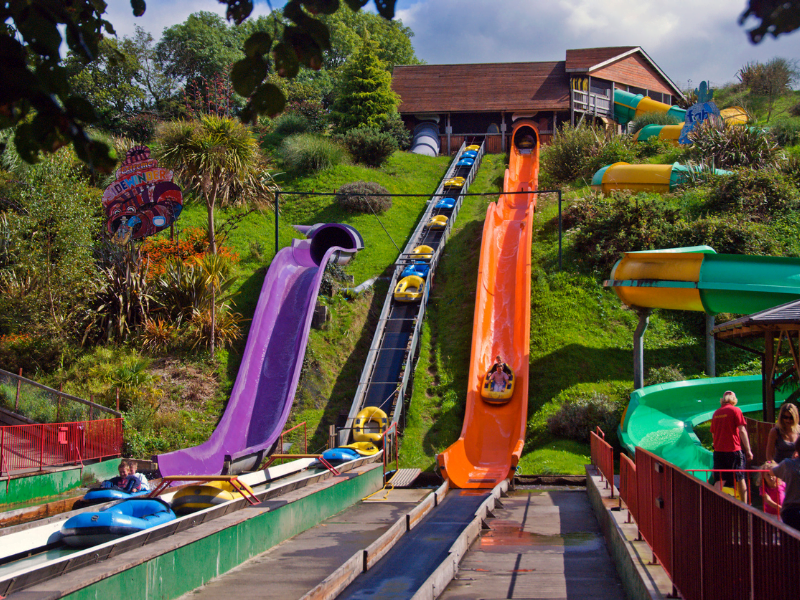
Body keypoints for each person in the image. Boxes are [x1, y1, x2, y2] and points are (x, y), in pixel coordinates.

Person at [710, 390, 753, 502]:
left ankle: (714, 504)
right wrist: (748, 450)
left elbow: (713, 433)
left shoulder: (716, 413)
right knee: (740, 478)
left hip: (719, 451)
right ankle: (745, 505)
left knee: (720, 480)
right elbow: (742, 430)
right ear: (734, 399)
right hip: (733, 450)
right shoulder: (735, 410)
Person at [772, 439, 800, 530]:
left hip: (791, 509)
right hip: (792, 510)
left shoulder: (788, 464)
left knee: (791, 541)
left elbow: (772, 471)